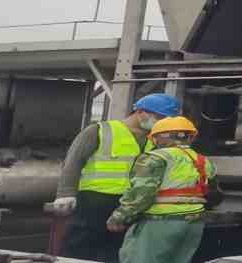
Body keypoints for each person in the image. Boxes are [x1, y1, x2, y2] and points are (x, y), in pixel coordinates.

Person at [52, 93, 181, 263]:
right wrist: (66, 193)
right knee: (80, 247)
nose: (163, 123)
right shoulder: (99, 130)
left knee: (117, 251)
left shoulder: (156, 141)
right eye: (160, 117)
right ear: (141, 112)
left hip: (131, 204)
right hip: (95, 200)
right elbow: (73, 161)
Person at [106, 116, 222, 263]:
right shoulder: (203, 160)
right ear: (190, 138)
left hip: (161, 223)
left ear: (161, 137)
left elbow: (142, 194)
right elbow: (214, 193)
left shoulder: (155, 158)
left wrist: (119, 217)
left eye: (154, 138)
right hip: (193, 225)